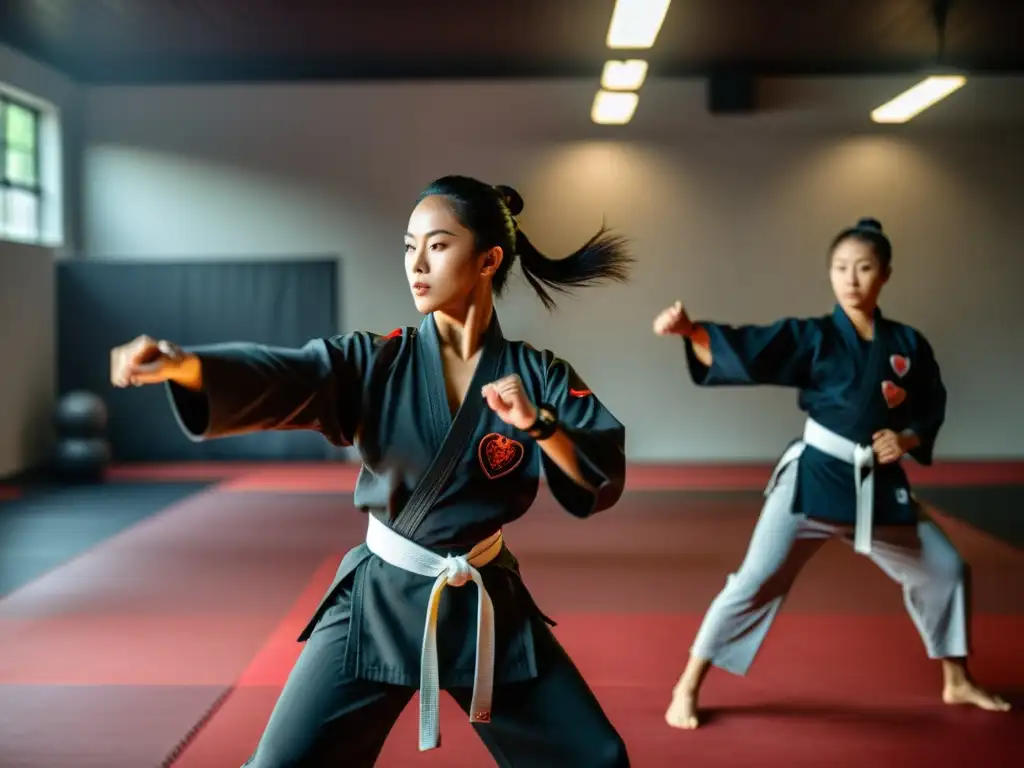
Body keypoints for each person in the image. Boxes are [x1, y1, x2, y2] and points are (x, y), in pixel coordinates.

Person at [110, 176, 634, 767]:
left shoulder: (538, 376)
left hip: (484, 601)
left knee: (595, 759)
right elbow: (291, 374)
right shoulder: (376, 360)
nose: (417, 263)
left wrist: (540, 425)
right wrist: (187, 367)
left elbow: (597, 474)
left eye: (437, 245)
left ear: (489, 259)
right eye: (409, 246)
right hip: (377, 601)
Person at [653, 217, 1011, 729]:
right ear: (830, 274)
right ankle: (686, 686)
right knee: (753, 582)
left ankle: (957, 680)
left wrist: (905, 440)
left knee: (946, 569)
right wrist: (691, 331)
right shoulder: (814, 336)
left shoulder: (908, 343)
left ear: (884, 274)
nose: (851, 278)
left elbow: (930, 407)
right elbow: (755, 350)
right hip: (814, 478)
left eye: (864, 268)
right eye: (841, 268)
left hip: (878, 483)